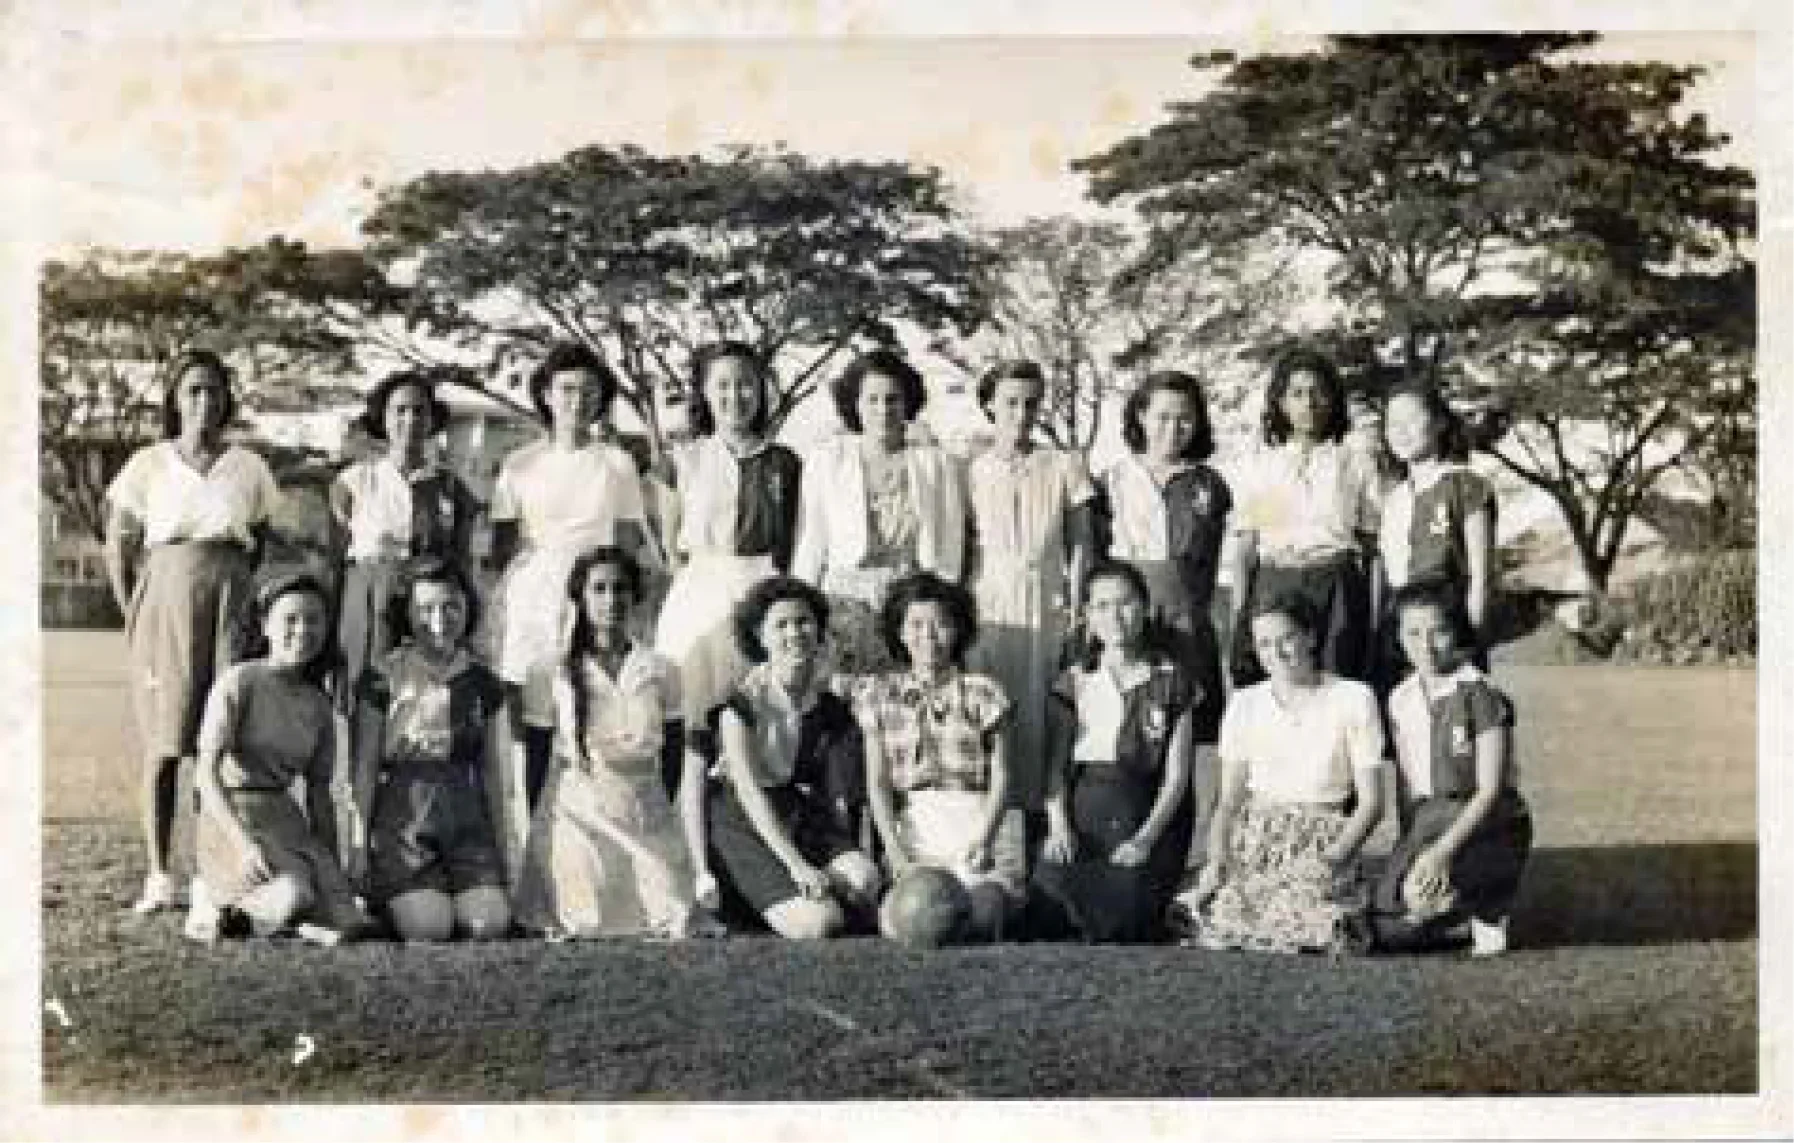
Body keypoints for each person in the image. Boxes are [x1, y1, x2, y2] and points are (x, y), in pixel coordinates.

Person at [103, 348, 282, 914]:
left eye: (213, 391)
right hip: (166, 598)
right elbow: (117, 543)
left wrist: (247, 599)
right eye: (192, 391)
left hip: (230, 597)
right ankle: (160, 873)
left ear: (227, 399)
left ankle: (214, 870)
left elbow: (266, 539)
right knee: (165, 743)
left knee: (221, 741)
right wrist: (131, 603)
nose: (203, 402)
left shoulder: (248, 466)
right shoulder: (148, 464)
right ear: (175, 401)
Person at [488, 343, 663, 813]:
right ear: (546, 395)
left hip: (597, 593)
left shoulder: (617, 463)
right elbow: (504, 546)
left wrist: (619, 604)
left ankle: (596, 823)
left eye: (590, 391)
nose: (577, 400)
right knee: (536, 720)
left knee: (594, 712)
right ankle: (534, 831)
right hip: (535, 599)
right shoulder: (519, 464)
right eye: (566, 389)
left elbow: (628, 544)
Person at [512, 547, 714, 940]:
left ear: (635, 596)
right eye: (599, 589)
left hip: (643, 809)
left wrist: (652, 804)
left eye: (620, 589)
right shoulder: (548, 670)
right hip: (577, 811)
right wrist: (540, 832)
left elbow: (672, 754)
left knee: (669, 910)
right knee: (584, 917)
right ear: (581, 598)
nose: (611, 600)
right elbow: (536, 757)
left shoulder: (663, 669)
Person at [1180, 595, 1384, 955]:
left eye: (1287, 638)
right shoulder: (1245, 703)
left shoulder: (1353, 697)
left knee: (1313, 921)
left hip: (1323, 837)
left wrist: (1332, 859)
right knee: (1222, 914)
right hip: (1257, 836)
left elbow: (1371, 805)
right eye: (1264, 643)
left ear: (1310, 637)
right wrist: (1217, 858)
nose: (1277, 652)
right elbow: (1228, 801)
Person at [183, 571, 368, 943]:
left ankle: (280, 918)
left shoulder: (317, 703)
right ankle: (213, 902)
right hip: (232, 817)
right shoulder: (239, 682)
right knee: (293, 896)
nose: (303, 631)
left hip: (286, 820)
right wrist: (242, 843)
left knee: (347, 918)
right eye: (291, 619)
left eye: (314, 620)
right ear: (266, 625)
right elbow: (205, 775)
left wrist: (330, 866)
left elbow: (319, 795)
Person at [696, 577, 882, 939]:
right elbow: (749, 793)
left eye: (803, 621)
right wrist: (797, 865)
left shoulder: (826, 700)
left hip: (792, 808)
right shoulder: (741, 705)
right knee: (818, 925)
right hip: (739, 815)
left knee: (866, 880)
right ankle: (742, 898)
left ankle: (807, 897)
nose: (794, 633)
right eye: (780, 625)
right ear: (761, 637)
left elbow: (838, 791)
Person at [1093, 369, 1231, 856]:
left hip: (1185, 621)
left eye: (1185, 419)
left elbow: (1214, 565)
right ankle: (1124, 845)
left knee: (1186, 742)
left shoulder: (1210, 485)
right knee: (1129, 732)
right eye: (1162, 417)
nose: (1173, 429)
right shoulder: (1111, 479)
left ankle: (1179, 858)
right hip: (1126, 616)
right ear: (1139, 417)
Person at [963, 360, 1097, 850]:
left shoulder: (1063, 465)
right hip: (990, 602)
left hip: (1047, 600)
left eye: (1031, 403)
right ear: (990, 405)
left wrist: (1079, 608)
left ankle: (1047, 839)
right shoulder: (971, 469)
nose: (1021, 414)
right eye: (1010, 402)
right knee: (991, 710)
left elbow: (1082, 544)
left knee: (1045, 713)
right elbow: (963, 546)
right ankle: (991, 841)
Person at [1029, 562, 1195, 943]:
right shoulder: (1074, 679)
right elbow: (1056, 769)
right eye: (1102, 606)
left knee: (1129, 917)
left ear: (1144, 608)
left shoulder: (1172, 678)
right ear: (1087, 614)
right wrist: (1058, 827)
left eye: (1126, 603)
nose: (1115, 616)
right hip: (1083, 810)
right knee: (1049, 910)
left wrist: (1145, 840)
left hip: (1142, 811)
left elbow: (1176, 779)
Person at [348, 557, 512, 942]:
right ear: (406, 613)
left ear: (467, 608)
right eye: (425, 609)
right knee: (429, 927)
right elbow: (365, 768)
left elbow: (493, 772)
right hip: (405, 813)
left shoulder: (482, 680)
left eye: (451, 606)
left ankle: (455, 885)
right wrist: (358, 848)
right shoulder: (383, 677)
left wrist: (505, 848)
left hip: (464, 810)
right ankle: (393, 896)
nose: (439, 619)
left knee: (488, 924)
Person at [853, 573, 1023, 941]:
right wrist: (895, 852)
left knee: (982, 916)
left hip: (976, 823)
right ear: (900, 632)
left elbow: (1004, 777)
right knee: (906, 923)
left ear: (958, 630)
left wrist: (985, 839)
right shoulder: (879, 694)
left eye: (941, 624)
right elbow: (878, 785)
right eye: (915, 625)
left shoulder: (983, 692)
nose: (928, 636)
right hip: (916, 827)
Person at [1369, 583, 1532, 956]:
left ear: (1455, 631)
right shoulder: (1400, 698)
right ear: (1398, 635)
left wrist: (1441, 852)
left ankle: (1487, 905)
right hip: (1432, 817)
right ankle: (1452, 915)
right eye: (1413, 633)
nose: (1425, 645)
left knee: (1422, 895)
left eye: (1438, 631)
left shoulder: (1480, 693)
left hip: (1487, 819)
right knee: (1388, 927)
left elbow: (1490, 790)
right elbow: (1408, 785)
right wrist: (1409, 848)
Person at [790, 349, 966, 676]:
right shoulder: (828, 458)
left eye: (893, 399)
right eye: (872, 399)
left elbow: (952, 543)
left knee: (904, 695)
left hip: (909, 601)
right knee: (842, 695)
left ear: (907, 402)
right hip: (843, 596)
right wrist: (802, 607)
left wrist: (943, 608)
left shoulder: (936, 463)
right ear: (855, 404)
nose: (883, 410)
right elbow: (811, 540)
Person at [654, 342, 803, 724]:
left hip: (762, 586)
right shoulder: (683, 458)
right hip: (699, 590)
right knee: (693, 703)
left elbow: (795, 538)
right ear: (704, 391)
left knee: (757, 703)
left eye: (745, 384)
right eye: (722, 384)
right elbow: (668, 542)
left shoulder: (784, 462)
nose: (734, 395)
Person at [1228, 348, 1384, 688]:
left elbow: (1373, 552)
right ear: (1281, 403)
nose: (1309, 403)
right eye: (1297, 394)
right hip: (1277, 584)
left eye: (1318, 392)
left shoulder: (1355, 462)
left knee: (1337, 685)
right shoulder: (1264, 465)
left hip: (1336, 586)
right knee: (1279, 687)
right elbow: (1246, 549)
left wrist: (1374, 621)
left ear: (1333, 399)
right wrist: (1241, 619)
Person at [329, 371, 479, 713]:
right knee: (369, 697)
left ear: (431, 420)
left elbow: (462, 561)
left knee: (420, 705)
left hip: (428, 604)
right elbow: (335, 560)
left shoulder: (451, 487)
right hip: (369, 601)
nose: (410, 420)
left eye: (419, 411)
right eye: (400, 410)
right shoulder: (355, 482)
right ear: (383, 417)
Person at [1373, 380, 1497, 689]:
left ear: (1439, 422)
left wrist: (1471, 644)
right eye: (1392, 424)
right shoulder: (1392, 497)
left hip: (1446, 633)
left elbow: (1481, 578)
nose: (1401, 431)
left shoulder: (1464, 484)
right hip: (1402, 635)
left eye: (1412, 420)